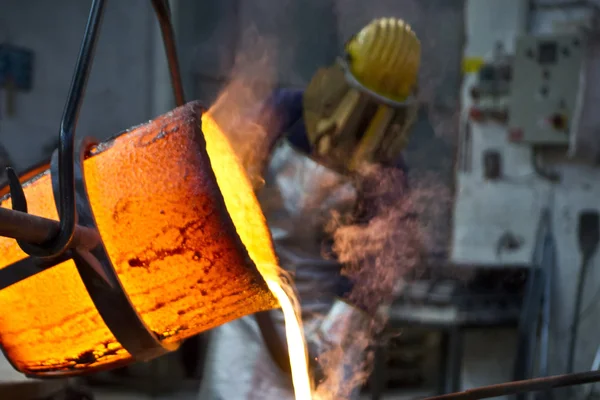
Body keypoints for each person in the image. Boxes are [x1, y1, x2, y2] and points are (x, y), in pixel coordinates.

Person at [198, 17, 423, 400]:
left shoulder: (387, 172)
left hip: (325, 324)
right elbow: (228, 182)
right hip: (249, 314)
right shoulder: (285, 113)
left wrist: (330, 338)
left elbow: (375, 273)